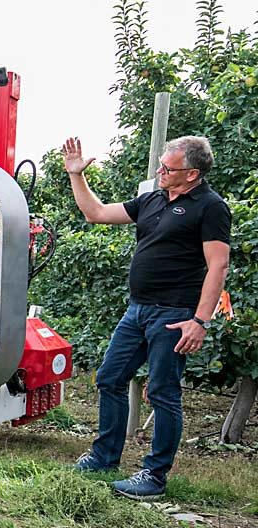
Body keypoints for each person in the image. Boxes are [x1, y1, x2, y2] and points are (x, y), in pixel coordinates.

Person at [65, 136, 231, 500]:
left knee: (162, 392)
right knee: (110, 377)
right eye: (161, 164)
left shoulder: (210, 207)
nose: (160, 171)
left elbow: (218, 266)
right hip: (137, 309)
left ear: (191, 174)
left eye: (167, 168)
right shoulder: (153, 198)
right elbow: (96, 214)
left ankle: (154, 476)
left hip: (175, 315)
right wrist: (77, 175)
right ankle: (104, 457)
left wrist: (199, 321)